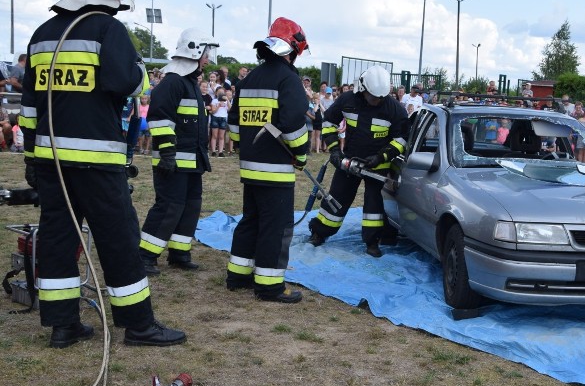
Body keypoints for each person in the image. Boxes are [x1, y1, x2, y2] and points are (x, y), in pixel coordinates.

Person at [19, 0, 185, 347]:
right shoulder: (106, 29)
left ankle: (63, 325)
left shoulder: (42, 34)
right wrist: (141, 71)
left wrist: (30, 156)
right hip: (97, 161)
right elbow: (124, 84)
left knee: (59, 236)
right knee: (119, 238)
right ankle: (139, 325)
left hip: (50, 160)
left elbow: (28, 108)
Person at [225, 17, 310, 303]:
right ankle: (269, 285)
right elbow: (293, 125)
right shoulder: (289, 80)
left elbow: (234, 123)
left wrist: (244, 147)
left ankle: (237, 275)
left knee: (251, 220)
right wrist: (300, 156)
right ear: (293, 49)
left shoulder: (249, 79)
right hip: (276, 170)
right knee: (276, 226)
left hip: (250, 167)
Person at [140, 28, 218, 276]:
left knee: (191, 206)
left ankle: (179, 253)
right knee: (169, 206)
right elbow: (160, 119)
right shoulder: (173, 80)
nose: (208, 58)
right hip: (173, 160)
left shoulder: (190, 82)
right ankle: (145, 256)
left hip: (192, 159)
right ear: (194, 51)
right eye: (206, 53)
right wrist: (167, 154)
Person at [308, 65, 408, 257]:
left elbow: (401, 139)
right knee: (336, 198)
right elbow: (328, 122)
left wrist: (381, 156)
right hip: (349, 161)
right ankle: (319, 233)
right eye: (372, 97)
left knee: (374, 205)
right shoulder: (347, 100)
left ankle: (372, 242)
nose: (376, 101)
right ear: (363, 89)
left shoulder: (395, 109)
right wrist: (335, 150)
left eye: (380, 97)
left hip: (377, 165)